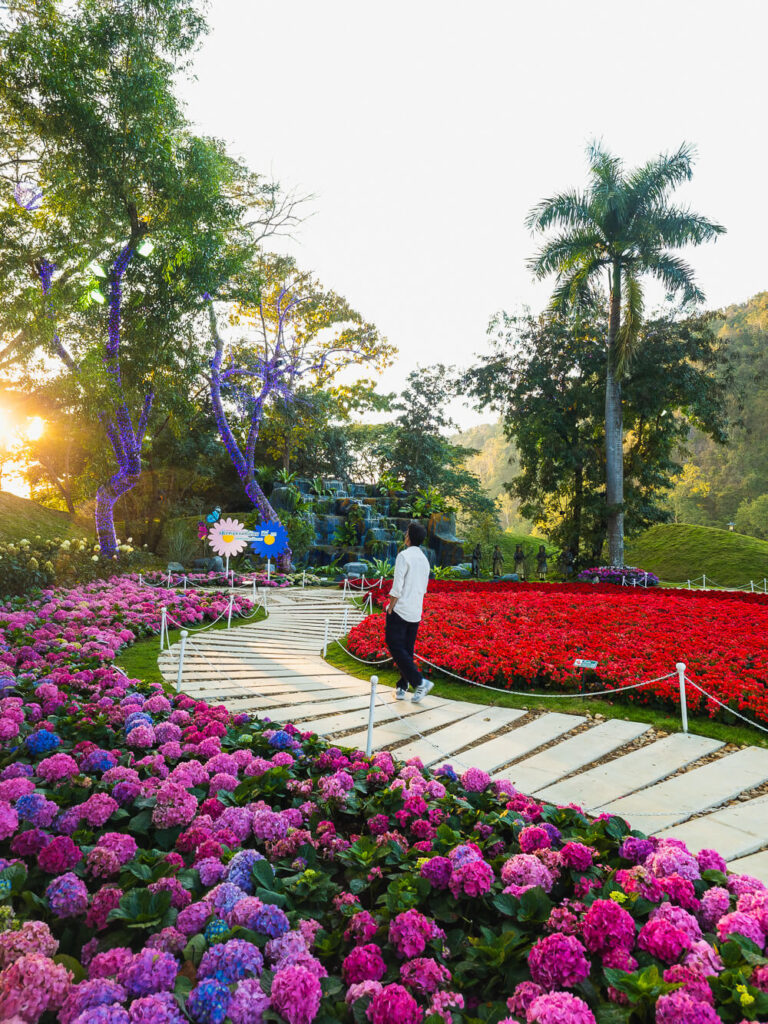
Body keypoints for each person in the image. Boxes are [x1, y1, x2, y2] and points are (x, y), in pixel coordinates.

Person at [385, 521, 433, 703]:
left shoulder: (403, 556)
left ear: (409, 537)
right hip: (416, 611)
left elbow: (397, 587)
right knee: (407, 650)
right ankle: (402, 687)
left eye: (406, 533)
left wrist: (390, 607)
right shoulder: (424, 559)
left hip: (401, 609)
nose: (405, 535)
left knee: (394, 644)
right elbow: (424, 587)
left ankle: (419, 682)